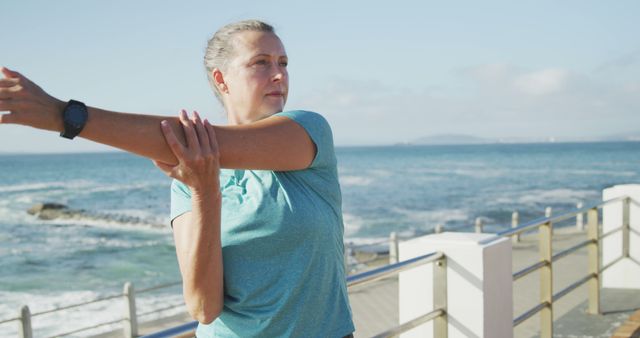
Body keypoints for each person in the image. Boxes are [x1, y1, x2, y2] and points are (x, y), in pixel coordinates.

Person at [0, 20, 355, 337]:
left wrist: (65, 116)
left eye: (283, 63)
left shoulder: (308, 132)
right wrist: (204, 193)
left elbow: (201, 143)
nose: (279, 74)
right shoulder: (187, 182)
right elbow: (204, 308)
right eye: (261, 63)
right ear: (221, 79)